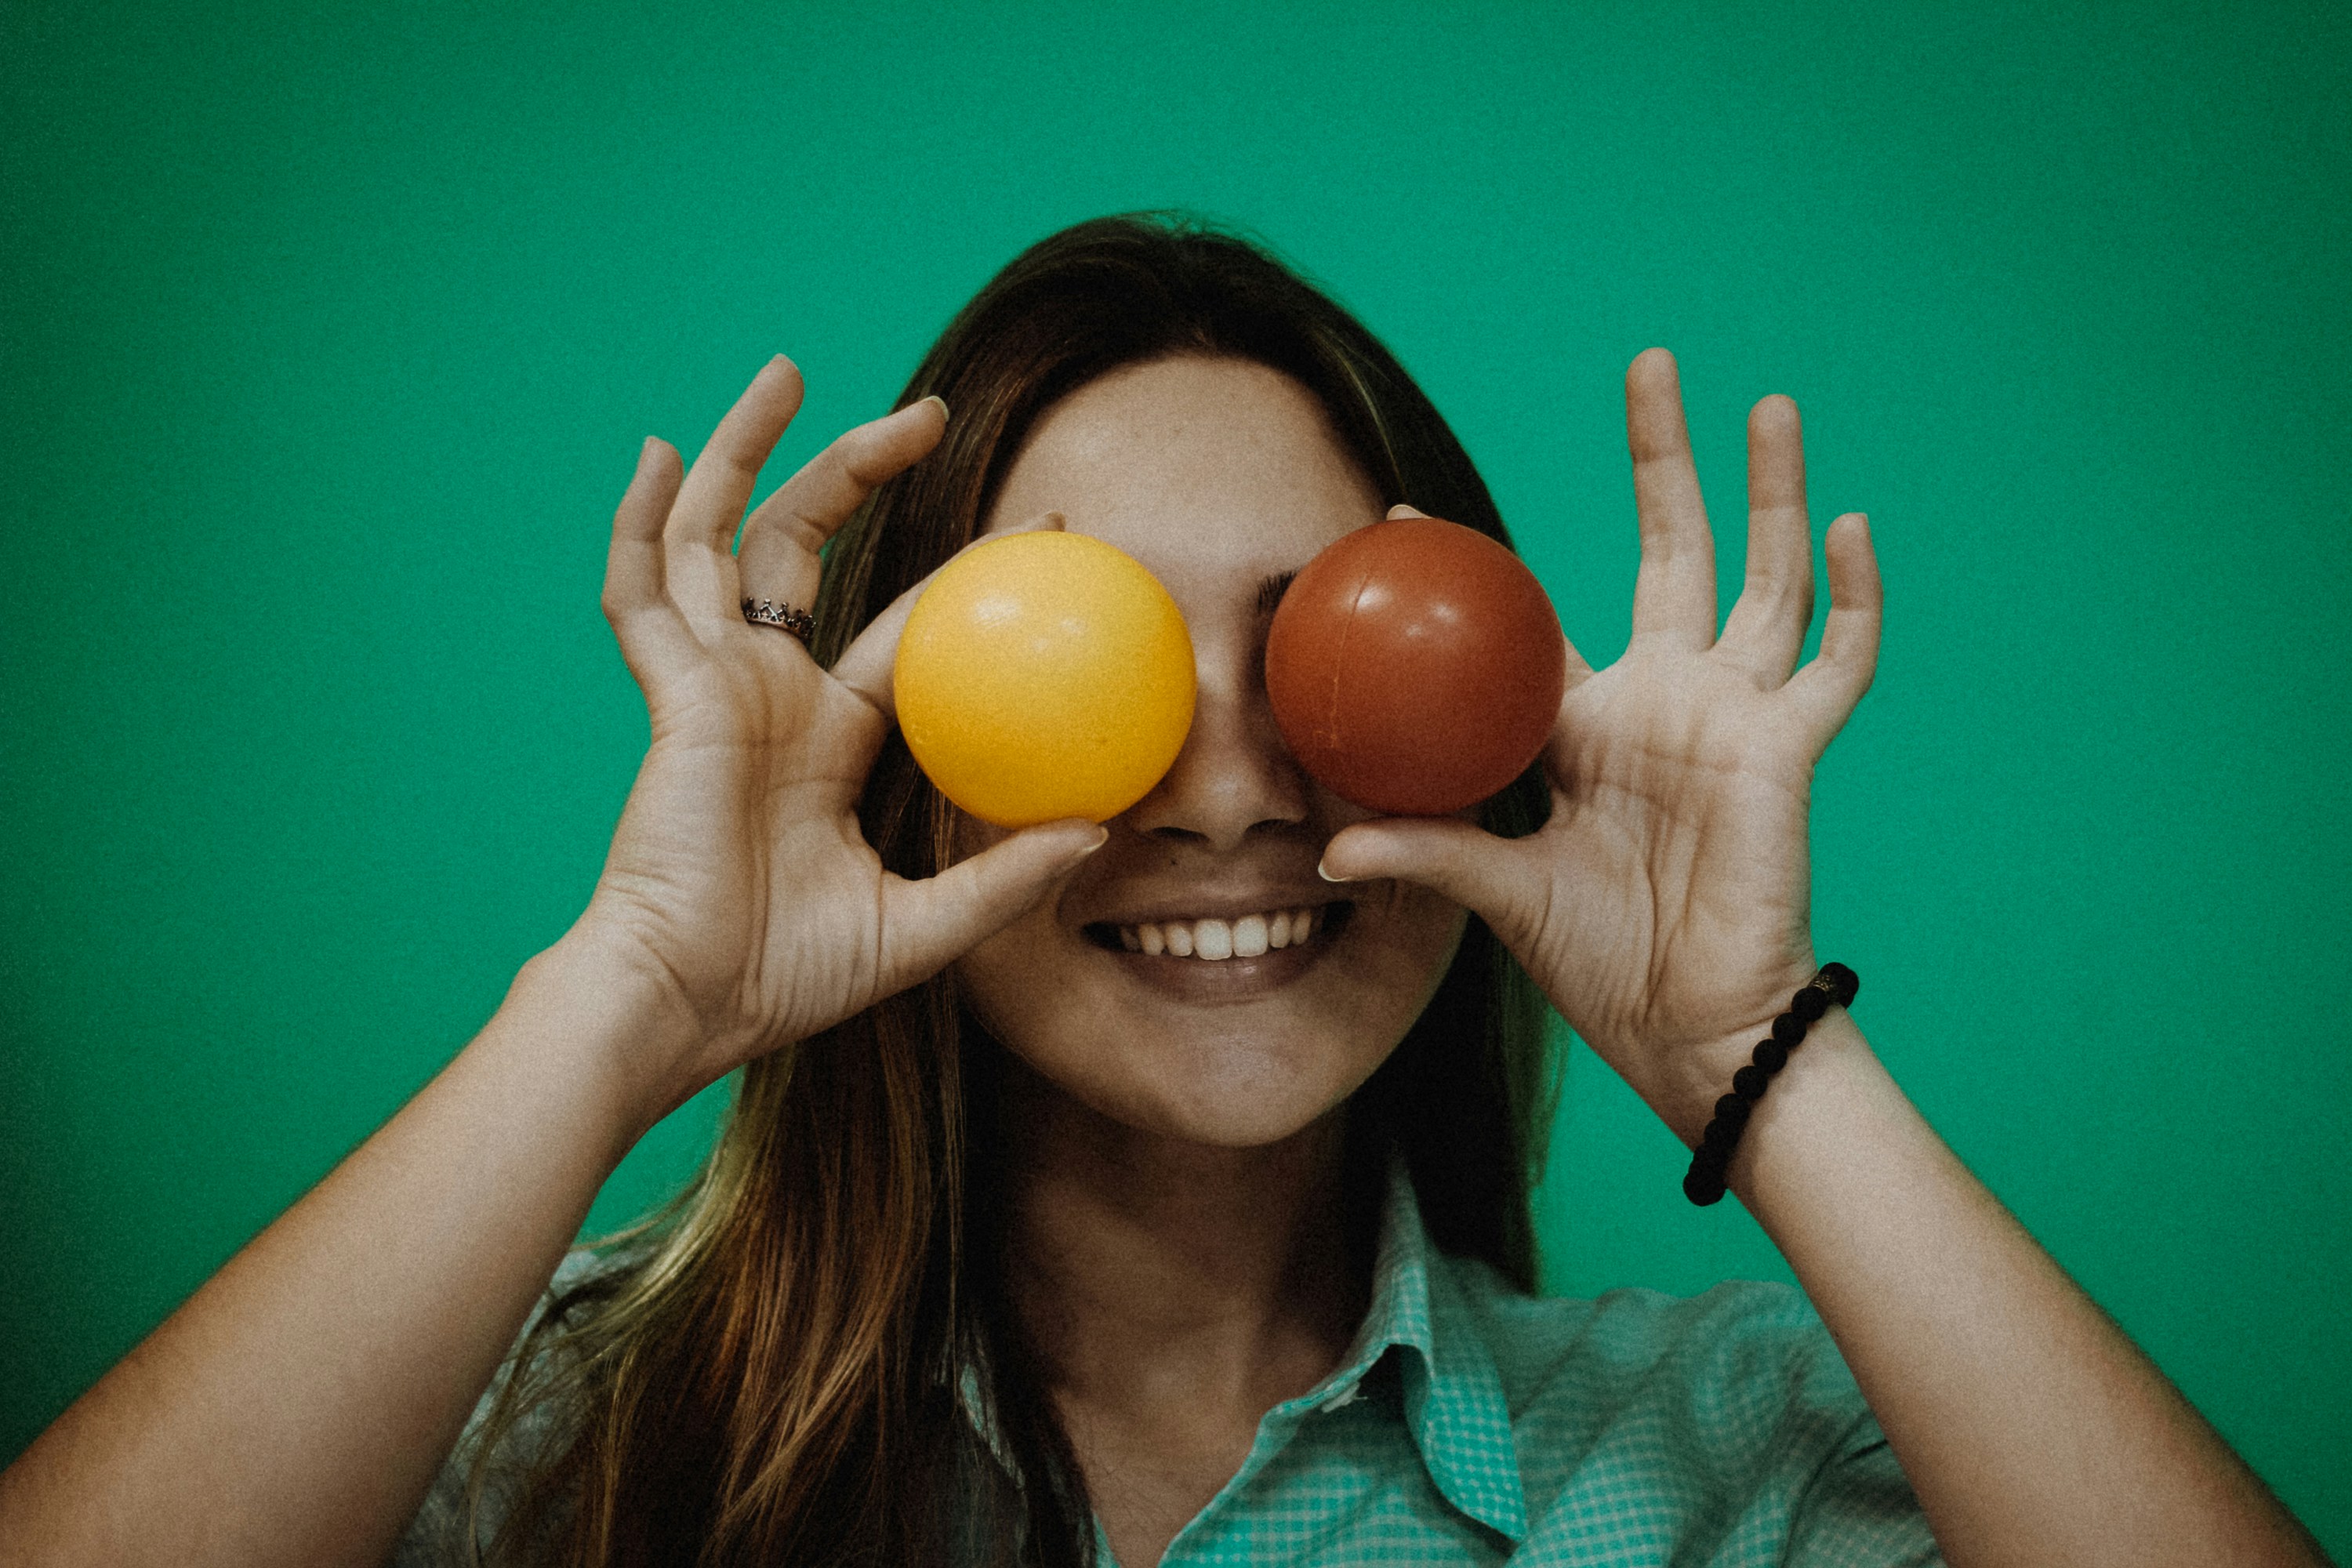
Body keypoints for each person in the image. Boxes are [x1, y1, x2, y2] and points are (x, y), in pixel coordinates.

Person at [0, 215, 2329, 1568]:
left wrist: (1755, 1061)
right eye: (1083, 658)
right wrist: (621, 997)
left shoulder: (1727, 1460)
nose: (1228, 796)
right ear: (896, 760)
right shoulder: (552, 1431)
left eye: (1327, 648)